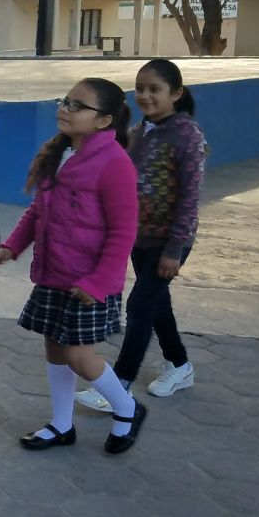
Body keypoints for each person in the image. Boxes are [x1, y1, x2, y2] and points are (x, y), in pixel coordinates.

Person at [0, 79, 143, 455]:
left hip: (89, 282)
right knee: (55, 347)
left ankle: (127, 408)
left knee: (78, 355)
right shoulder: (59, 153)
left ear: (103, 120)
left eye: (77, 105)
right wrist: (12, 246)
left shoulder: (114, 163)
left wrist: (98, 282)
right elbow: (37, 211)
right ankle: (61, 424)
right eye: (65, 101)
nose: (65, 109)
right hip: (54, 274)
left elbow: (124, 232)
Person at [76, 60, 206, 411]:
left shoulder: (187, 135)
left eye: (154, 89)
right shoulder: (140, 131)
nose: (145, 96)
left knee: (139, 305)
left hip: (169, 241)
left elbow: (190, 196)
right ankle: (180, 365)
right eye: (140, 88)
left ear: (175, 94)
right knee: (156, 303)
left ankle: (118, 386)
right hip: (139, 236)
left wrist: (174, 249)